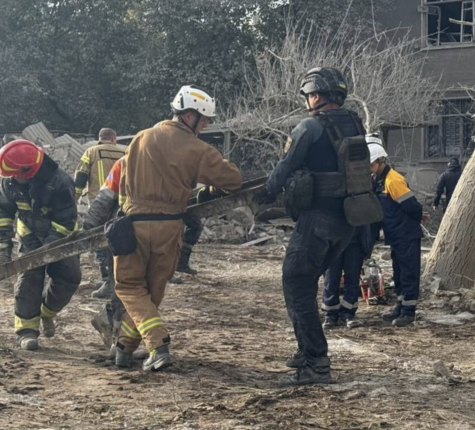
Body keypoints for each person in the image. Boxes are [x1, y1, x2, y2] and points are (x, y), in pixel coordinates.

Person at [254, 67, 370, 386]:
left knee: (296, 282)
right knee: (307, 280)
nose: (307, 101)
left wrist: (266, 193)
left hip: (318, 220)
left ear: (316, 95)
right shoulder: (355, 123)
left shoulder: (309, 126)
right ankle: (308, 351)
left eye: (307, 95)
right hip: (348, 222)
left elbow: (285, 167)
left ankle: (315, 362)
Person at [113, 85, 242, 371]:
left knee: (131, 287)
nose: (206, 125)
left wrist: (125, 214)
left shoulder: (140, 138)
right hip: (170, 227)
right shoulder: (197, 149)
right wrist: (209, 185)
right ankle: (126, 347)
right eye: (204, 119)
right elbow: (233, 180)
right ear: (188, 116)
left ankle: (151, 346)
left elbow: (122, 183)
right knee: (153, 290)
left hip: (133, 224)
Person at [0, 139, 82, 351]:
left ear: (29, 170)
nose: (12, 177)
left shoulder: (61, 182)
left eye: (15, 173)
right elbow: (3, 214)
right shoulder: (11, 181)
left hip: (62, 238)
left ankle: (46, 312)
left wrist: (48, 250)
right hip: (30, 236)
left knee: (70, 277)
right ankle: (26, 332)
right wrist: (3, 248)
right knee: (29, 279)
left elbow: (66, 221)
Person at [369, 140, 423, 327]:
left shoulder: (393, 180)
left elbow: (413, 208)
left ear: (381, 161)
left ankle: (408, 311)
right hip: (397, 235)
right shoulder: (380, 181)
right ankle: (400, 306)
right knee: (399, 273)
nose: (371, 168)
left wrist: (407, 225)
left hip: (406, 234)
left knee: (408, 273)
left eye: (372, 164)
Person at [74, 128, 125, 300]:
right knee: (119, 240)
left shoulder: (92, 151)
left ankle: (108, 281)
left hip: (99, 202)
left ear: (99, 139)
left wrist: (74, 198)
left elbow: (81, 177)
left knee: (100, 241)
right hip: (121, 203)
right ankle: (119, 279)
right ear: (114, 139)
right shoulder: (125, 151)